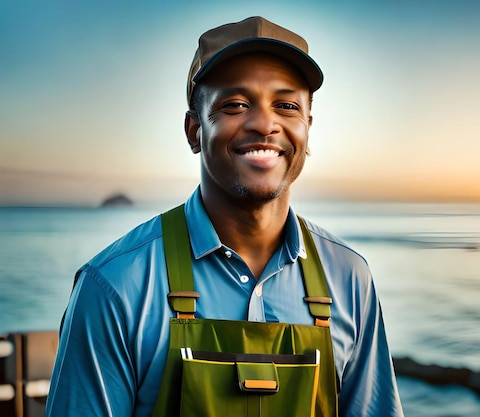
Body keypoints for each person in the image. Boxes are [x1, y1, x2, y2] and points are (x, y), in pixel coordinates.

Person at [45, 16, 404, 417]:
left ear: (307, 128)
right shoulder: (114, 285)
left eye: (286, 106)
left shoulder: (350, 278)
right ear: (194, 130)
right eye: (234, 105)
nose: (265, 124)